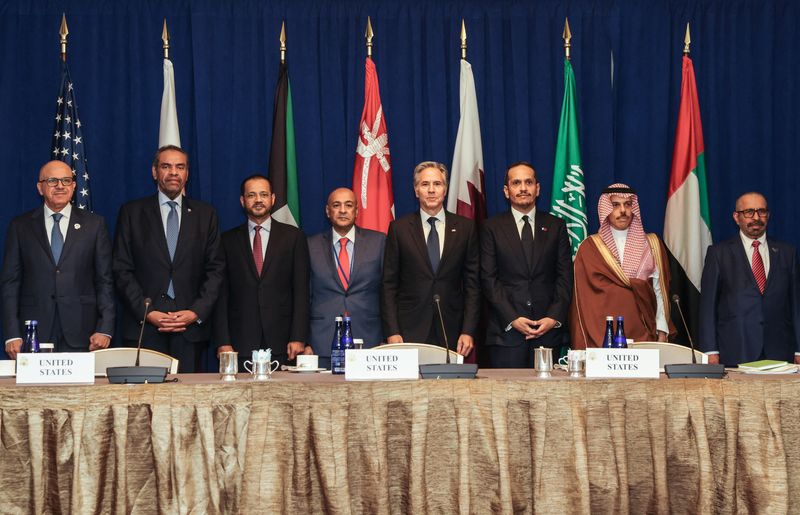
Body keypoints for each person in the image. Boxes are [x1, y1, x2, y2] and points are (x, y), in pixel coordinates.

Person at [112, 145, 224, 372]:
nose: (173, 172)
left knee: (189, 404)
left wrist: (196, 312)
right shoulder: (132, 212)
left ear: (187, 174)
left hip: (189, 330)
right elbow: (121, 269)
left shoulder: (206, 214)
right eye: (166, 166)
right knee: (144, 404)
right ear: (155, 172)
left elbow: (216, 269)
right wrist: (148, 313)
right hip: (145, 328)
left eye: (179, 167)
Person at [2, 160, 114, 357]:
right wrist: (12, 334)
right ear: (40, 187)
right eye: (52, 180)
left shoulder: (95, 225)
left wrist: (104, 327)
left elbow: (104, 280)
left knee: (80, 390)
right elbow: (10, 283)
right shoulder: (20, 226)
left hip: (83, 332)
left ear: (74, 186)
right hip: (33, 334)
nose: (60, 186)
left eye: (66, 180)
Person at [381, 161, 480, 356]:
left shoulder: (465, 228)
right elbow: (388, 284)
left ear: (445, 189)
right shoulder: (399, 229)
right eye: (425, 184)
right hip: (409, 328)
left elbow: (473, 285)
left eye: (437, 184)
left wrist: (468, 330)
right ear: (416, 190)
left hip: (452, 329)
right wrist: (392, 331)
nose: (432, 190)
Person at [480, 162, 572, 367]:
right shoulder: (490, 228)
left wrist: (553, 317)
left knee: (549, 399)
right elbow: (488, 279)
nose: (523, 188)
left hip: (547, 334)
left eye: (528, 182)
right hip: (506, 335)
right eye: (516, 183)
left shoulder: (556, 226)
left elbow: (565, 277)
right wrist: (512, 318)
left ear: (537, 188)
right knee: (506, 399)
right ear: (506, 191)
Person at [215, 175, 310, 366]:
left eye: (263, 194)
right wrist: (223, 341)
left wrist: (298, 336)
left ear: (273, 199)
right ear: (243, 201)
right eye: (251, 195)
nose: (258, 200)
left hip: (284, 343)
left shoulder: (293, 237)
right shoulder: (227, 241)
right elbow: (221, 295)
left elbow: (301, 291)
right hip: (239, 343)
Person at [699, 192, 800, 365]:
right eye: (749, 212)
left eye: (761, 211)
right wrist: (710, 350)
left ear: (768, 215)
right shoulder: (718, 253)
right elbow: (708, 306)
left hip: (779, 351)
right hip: (735, 348)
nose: (756, 217)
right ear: (736, 217)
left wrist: (798, 349)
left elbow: (796, 306)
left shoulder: (787, 253)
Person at [570, 184, 675, 348]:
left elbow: (658, 290)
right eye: (615, 205)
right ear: (605, 209)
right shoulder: (589, 247)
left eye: (627, 204)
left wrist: (662, 327)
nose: (623, 210)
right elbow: (583, 302)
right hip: (601, 334)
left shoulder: (651, 244)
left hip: (644, 333)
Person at [308, 188, 385, 368]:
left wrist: (387, 336)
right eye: (336, 205)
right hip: (322, 341)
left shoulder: (379, 242)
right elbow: (304, 295)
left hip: (368, 340)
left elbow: (386, 292)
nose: (343, 210)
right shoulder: (310, 245)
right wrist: (304, 340)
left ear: (357, 211)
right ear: (328, 211)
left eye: (348, 205)